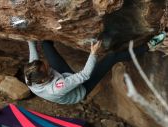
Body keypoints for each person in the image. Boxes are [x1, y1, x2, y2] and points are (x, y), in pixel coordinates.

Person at [24, 32, 166, 104]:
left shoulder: (30, 74)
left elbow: (34, 57)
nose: (48, 65)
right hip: (81, 89)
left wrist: (29, 36)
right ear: (45, 77)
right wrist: (93, 53)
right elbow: (84, 75)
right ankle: (149, 46)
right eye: (48, 68)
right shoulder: (57, 88)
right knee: (111, 57)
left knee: (46, 44)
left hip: (61, 77)